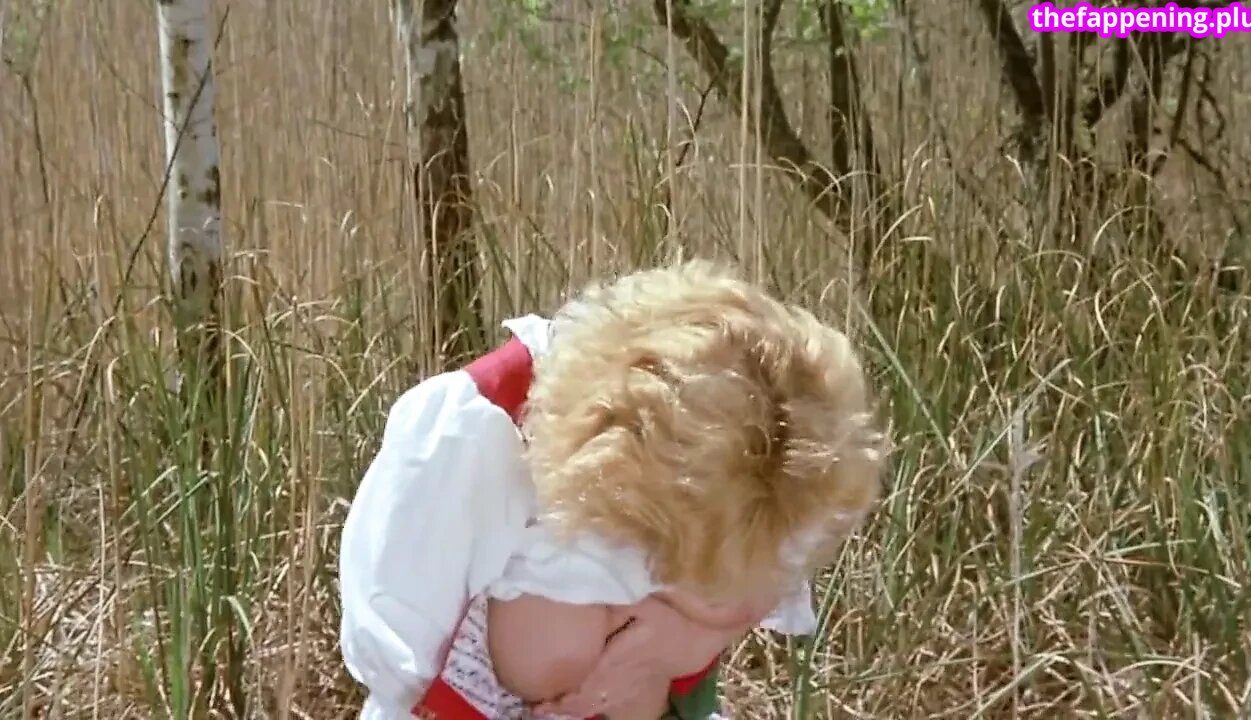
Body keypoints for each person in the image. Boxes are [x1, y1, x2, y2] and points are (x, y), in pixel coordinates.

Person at [338, 260, 889, 719]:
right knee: (557, 642)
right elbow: (402, 677)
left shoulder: (793, 463)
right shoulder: (471, 441)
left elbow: (764, 582)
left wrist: (663, 649)